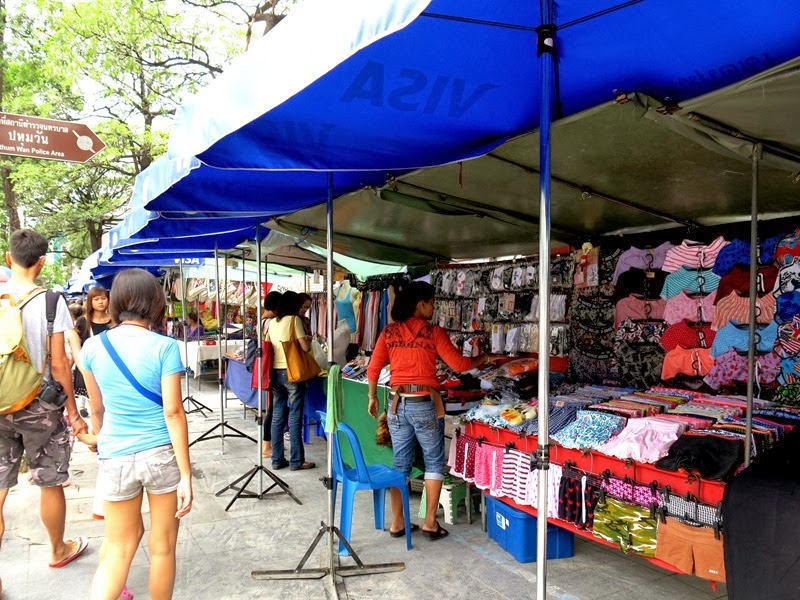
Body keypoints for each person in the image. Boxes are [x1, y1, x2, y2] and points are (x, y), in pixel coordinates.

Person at [80, 268, 192, 600]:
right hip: (159, 454)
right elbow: (173, 412)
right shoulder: (165, 347)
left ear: (116, 302)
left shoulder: (92, 347)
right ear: (155, 302)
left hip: (115, 455)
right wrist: (186, 475)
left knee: (118, 547)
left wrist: (101, 442)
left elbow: (96, 409)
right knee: (163, 547)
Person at [0, 229, 90, 595]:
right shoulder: (51, 302)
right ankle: (57, 549)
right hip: (39, 406)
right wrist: (74, 413)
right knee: (50, 480)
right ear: (41, 262)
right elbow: (59, 364)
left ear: (9, 258)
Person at [367, 281, 488, 541]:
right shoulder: (433, 332)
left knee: (400, 463)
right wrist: (483, 359)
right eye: (431, 303)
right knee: (433, 462)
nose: (434, 307)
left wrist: (371, 397)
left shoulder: (389, 332)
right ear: (420, 304)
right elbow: (459, 364)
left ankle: (397, 522)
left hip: (397, 403)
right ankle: (431, 523)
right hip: (423, 403)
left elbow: (373, 368)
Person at [268, 291, 315, 471]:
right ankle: (296, 461)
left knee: (277, 415)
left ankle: (277, 459)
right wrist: (308, 340)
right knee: (295, 415)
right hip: (292, 371)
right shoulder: (294, 321)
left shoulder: (272, 322)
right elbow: (305, 347)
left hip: (275, 372)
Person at [260, 291, 282, 458]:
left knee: (271, 408)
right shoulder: (270, 322)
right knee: (272, 409)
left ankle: (268, 444)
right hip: (271, 367)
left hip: (266, 367)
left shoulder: (261, 321)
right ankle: (266, 445)